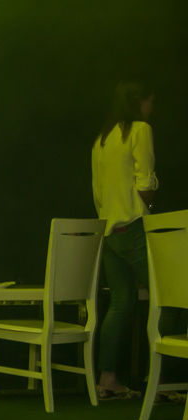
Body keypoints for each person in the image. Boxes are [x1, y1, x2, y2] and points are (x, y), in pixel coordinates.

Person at [91, 81, 158, 400]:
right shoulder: (140, 130)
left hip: (109, 231)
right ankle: (162, 378)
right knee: (170, 296)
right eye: (149, 101)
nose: (151, 107)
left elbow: (98, 193)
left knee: (121, 303)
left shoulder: (102, 139)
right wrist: (146, 205)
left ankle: (108, 379)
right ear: (139, 102)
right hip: (132, 227)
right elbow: (145, 181)